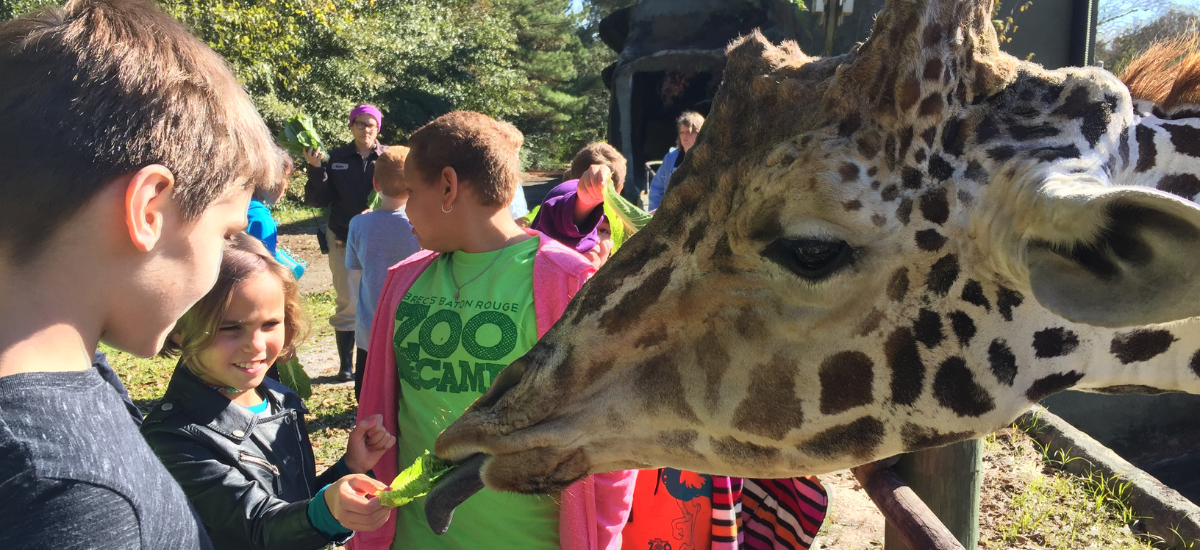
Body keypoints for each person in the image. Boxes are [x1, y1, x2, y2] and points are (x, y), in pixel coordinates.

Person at [0, 0, 284, 547]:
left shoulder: (80, 367)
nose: (221, 257)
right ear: (149, 210)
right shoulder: (74, 497)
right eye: (225, 234)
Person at [352, 111, 635, 550]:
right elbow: (379, 414)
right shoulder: (402, 279)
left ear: (448, 186)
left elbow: (614, 442)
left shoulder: (571, 282)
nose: (405, 208)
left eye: (411, 191)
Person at [142, 233, 394, 549]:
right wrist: (325, 512)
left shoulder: (280, 400)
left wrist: (349, 467)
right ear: (178, 326)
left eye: (270, 324)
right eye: (230, 327)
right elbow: (258, 525)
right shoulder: (172, 437)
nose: (256, 345)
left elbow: (293, 504)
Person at [304, 104, 388, 382]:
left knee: (380, 299)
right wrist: (316, 168)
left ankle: (376, 361)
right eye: (360, 123)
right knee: (348, 300)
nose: (365, 129)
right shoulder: (335, 157)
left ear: (378, 128)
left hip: (380, 239)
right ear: (351, 126)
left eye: (371, 124)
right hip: (342, 237)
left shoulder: (388, 158)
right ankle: (345, 367)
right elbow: (318, 200)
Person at [345, 146, 420, 400]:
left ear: (375, 183)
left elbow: (354, 268)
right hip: (414, 326)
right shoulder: (424, 224)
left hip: (371, 329)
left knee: (370, 395)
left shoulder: (359, 223)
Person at [529, 142, 627, 267]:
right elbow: (564, 216)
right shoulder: (563, 194)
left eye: (603, 231)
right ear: (619, 190)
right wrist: (584, 201)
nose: (594, 240)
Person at [247, 157, 305, 280]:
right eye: (286, 177)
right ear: (268, 178)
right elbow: (264, 270)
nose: (287, 185)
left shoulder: (242, 208)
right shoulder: (260, 219)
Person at [648, 111, 704, 211]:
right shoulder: (671, 158)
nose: (684, 136)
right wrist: (655, 212)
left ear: (700, 133)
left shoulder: (708, 158)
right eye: (682, 132)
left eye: (689, 132)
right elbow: (657, 188)